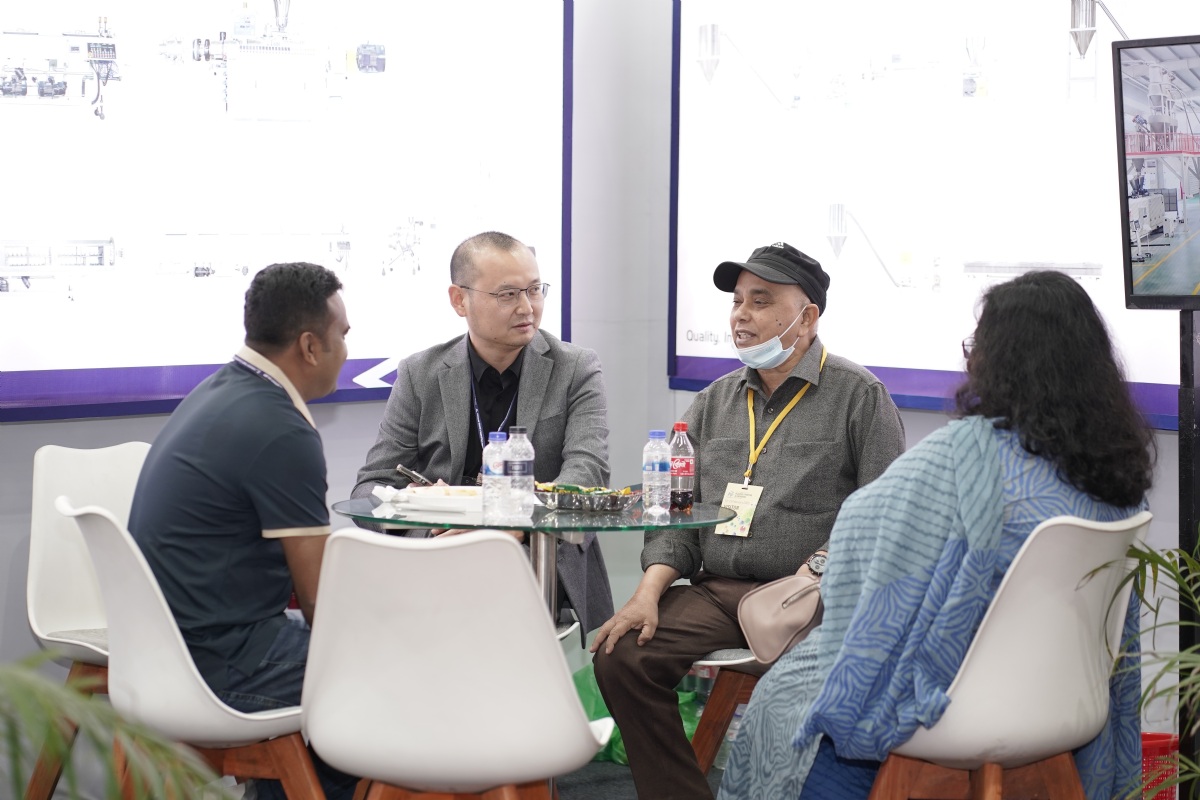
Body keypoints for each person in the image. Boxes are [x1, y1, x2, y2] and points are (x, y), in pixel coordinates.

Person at [719, 270, 1155, 800]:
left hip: (953, 704)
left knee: (787, 697)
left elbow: (859, 531)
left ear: (996, 360)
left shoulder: (962, 455)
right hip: (1066, 705)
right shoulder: (1117, 476)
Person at [591, 241, 906, 800]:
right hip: (719, 593)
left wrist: (820, 571)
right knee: (624, 655)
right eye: (737, 301)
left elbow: (885, 515)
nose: (741, 315)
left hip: (809, 599)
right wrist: (647, 593)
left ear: (806, 317)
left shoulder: (860, 396)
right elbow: (677, 515)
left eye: (761, 301)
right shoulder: (714, 401)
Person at [128, 262, 358, 800]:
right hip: (224, 663)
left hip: (172, 650)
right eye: (344, 335)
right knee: (398, 668)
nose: (348, 350)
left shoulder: (219, 391)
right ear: (309, 347)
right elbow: (321, 600)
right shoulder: (280, 429)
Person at [352, 230, 614, 637]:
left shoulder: (575, 368)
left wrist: (512, 525)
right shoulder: (420, 373)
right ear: (460, 300)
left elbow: (587, 473)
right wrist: (429, 523)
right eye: (508, 295)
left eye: (534, 290)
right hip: (438, 558)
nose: (527, 307)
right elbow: (370, 487)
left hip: (538, 558)